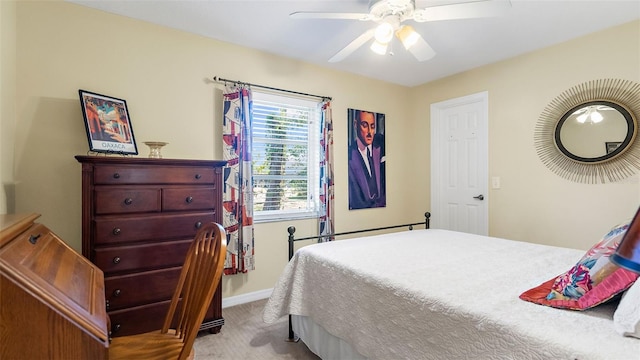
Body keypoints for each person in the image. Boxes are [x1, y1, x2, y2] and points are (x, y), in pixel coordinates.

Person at [348, 109, 386, 209]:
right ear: (356, 125)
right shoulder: (349, 157)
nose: (369, 132)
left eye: (372, 126)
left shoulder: (380, 148)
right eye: (365, 125)